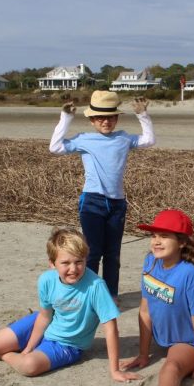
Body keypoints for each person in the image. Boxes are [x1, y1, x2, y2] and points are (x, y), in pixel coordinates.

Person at [0, 228, 139, 382]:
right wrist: (29, 348)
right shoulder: (46, 280)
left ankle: (6, 355)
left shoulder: (96, 286)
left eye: (79, 262)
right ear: (52, 263)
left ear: (86, 259)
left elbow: (110, 329)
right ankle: (19, 349)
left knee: (28, 366)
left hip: (69, 344)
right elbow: (44, 316)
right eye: (65, 263)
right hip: (43, 323)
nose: (73, 268)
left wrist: (115, 370)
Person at [49, 90, 154, 298]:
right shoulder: (84, 139)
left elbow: (149, 140)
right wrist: (66, 117)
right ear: (91, 120)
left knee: (113, 254)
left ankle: (110, 295)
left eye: (110, 117)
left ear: (116, 118)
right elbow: (55, 147)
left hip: (117, 204)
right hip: (92, 202)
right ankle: (89, 294)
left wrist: (143, 115)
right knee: (92, 252)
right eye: (100, 117)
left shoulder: (123, 138)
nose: (105, 121)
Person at [120, 209, 194, 386]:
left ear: (182, 242)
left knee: (172, 366)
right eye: (154, 235)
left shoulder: (191, 275)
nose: (156, 241)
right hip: (164, 333)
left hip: (187, 341)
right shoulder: (151, 262)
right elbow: (145, 310)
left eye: (165, 236)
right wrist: (143, 353)